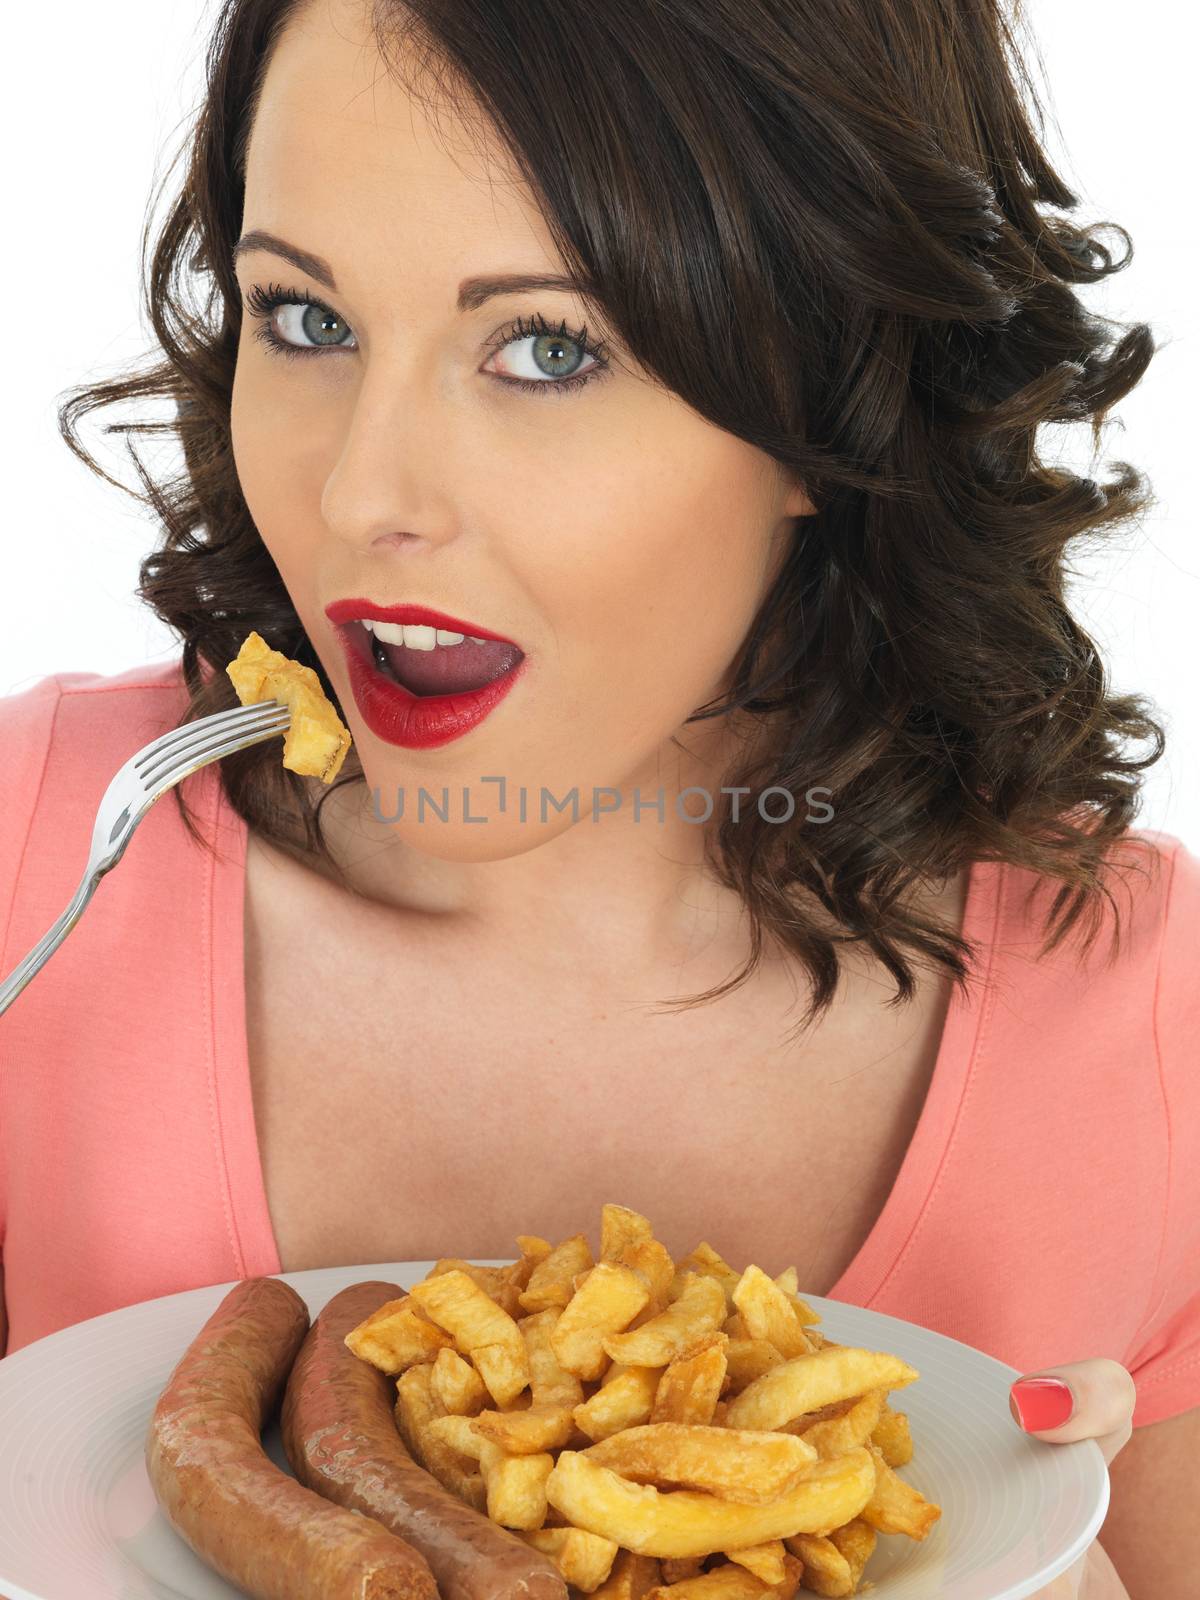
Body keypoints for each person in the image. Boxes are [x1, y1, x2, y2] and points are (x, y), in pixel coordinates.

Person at [0, 1, 1195, 1594]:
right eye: (303, 319)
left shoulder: (1144, 1012)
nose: (363, 495)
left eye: (547, 347)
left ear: (830, 405)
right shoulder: (40, 861)